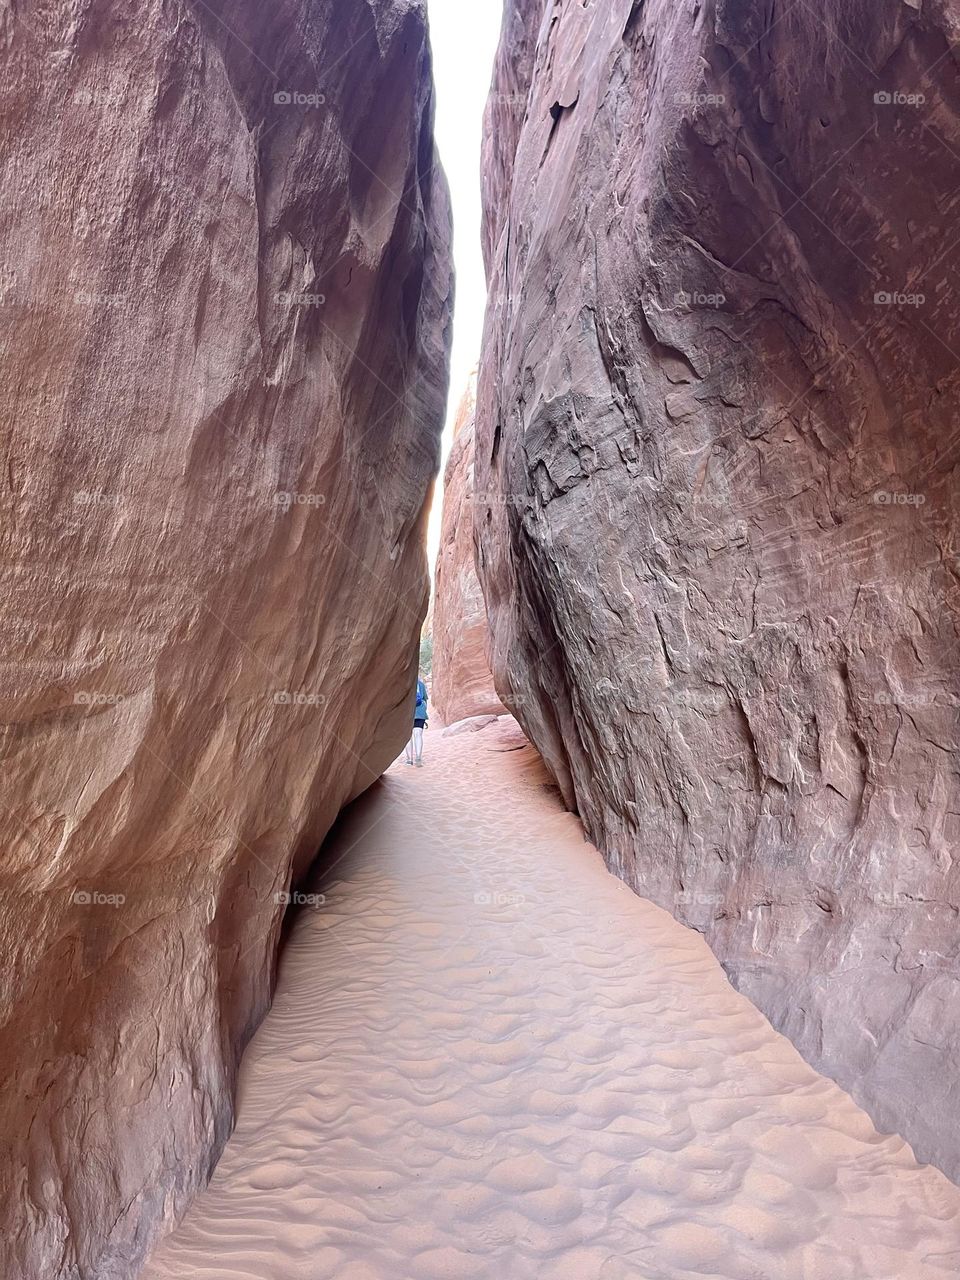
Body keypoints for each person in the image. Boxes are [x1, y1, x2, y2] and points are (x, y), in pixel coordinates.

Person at [405, 675, 428, 766]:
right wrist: (424, 712)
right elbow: (425, 699)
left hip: (406, 713)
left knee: (408, 737)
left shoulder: (403, 684)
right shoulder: (421, 684)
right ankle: (418, 757)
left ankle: (409, 759)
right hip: (420, 712)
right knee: (418, 734)